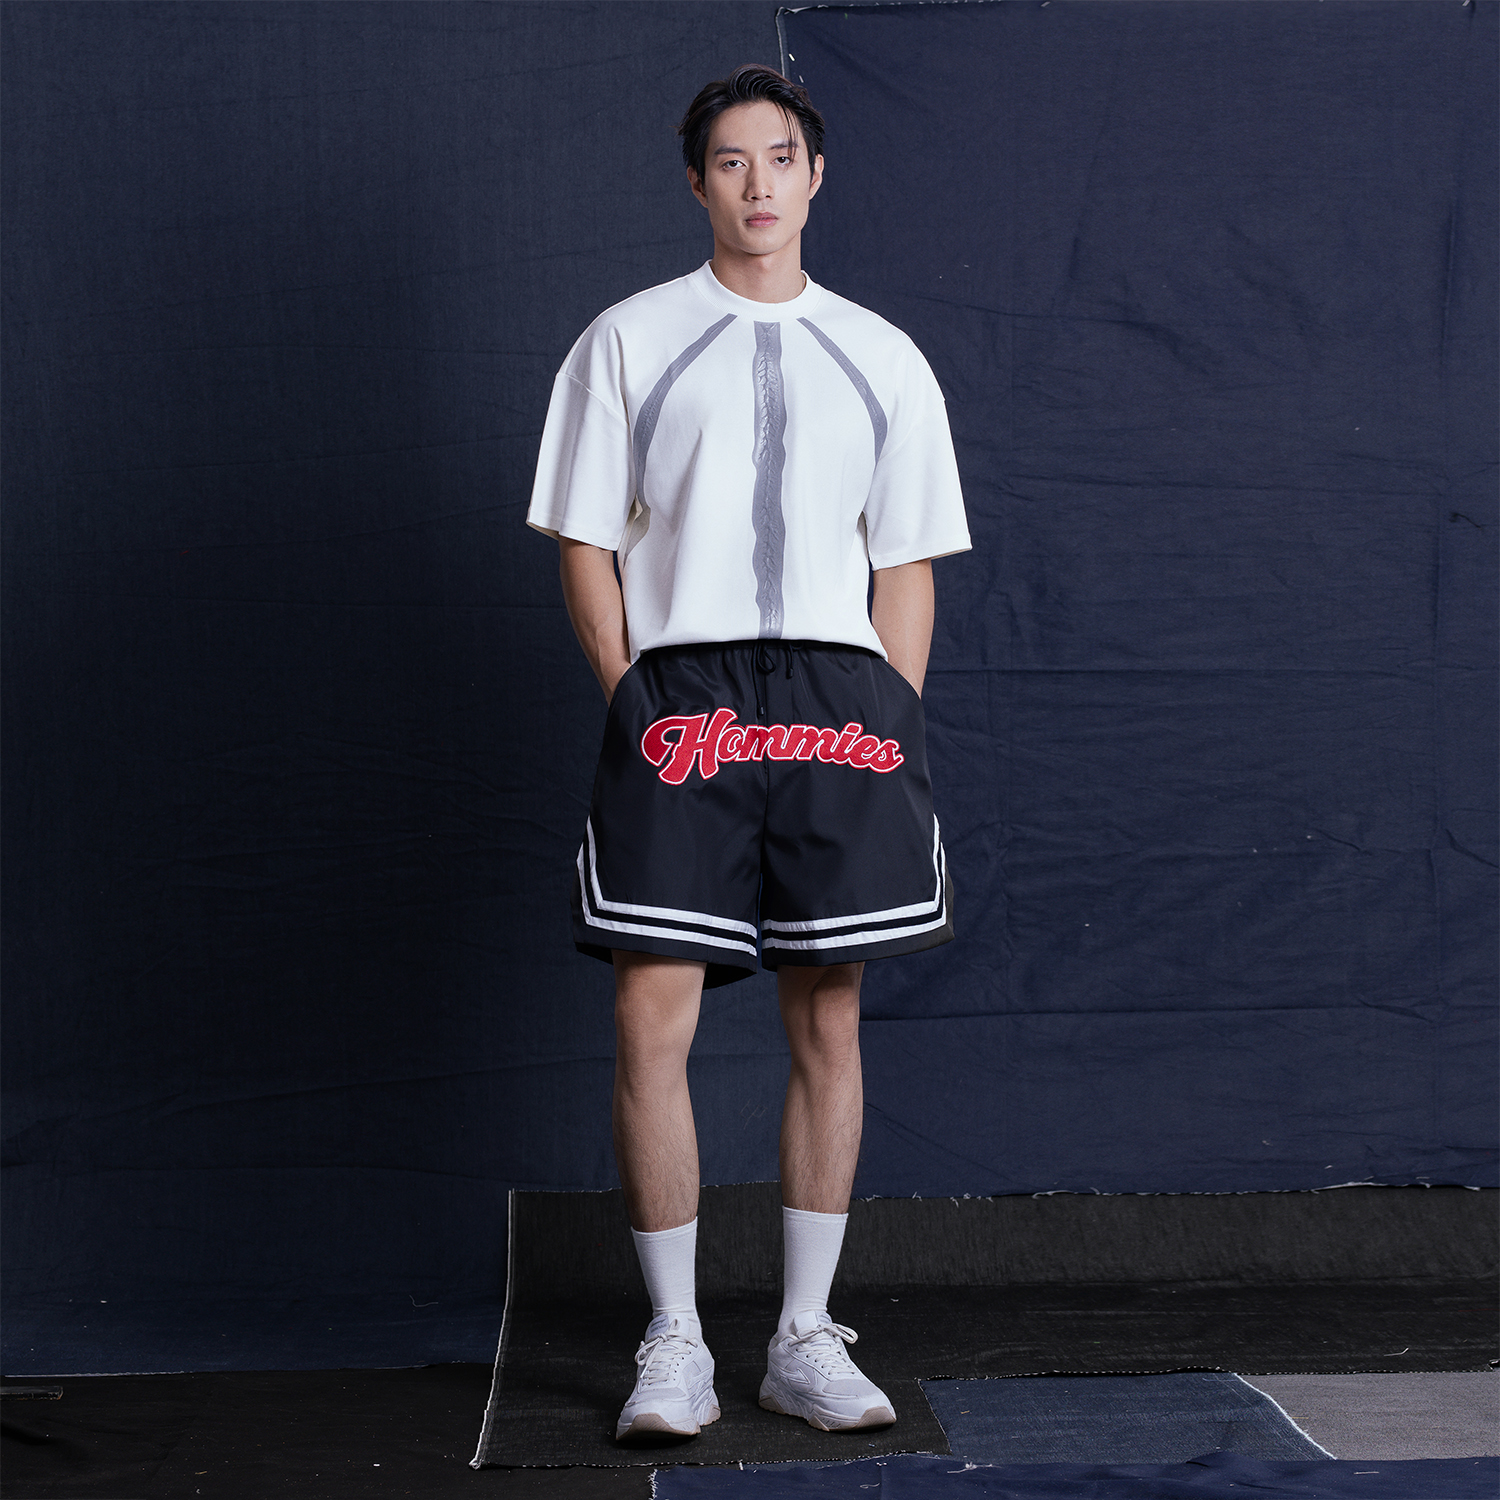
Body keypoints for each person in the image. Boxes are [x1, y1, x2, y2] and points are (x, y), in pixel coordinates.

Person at [526, 63, 970, 1443]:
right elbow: (586, 539)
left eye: (781, 158)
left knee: (827, 1015)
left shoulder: (884, 355)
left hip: (838, 694)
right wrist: (633, 698)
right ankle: (673, 1341)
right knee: (649, 1013)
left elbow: (906, 561)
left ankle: (802, 1336)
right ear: (697, 181)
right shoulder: (627, 339)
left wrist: (889, 717)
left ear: (815, 176)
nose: (759, 184)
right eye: (731, 161)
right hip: (689, 690)